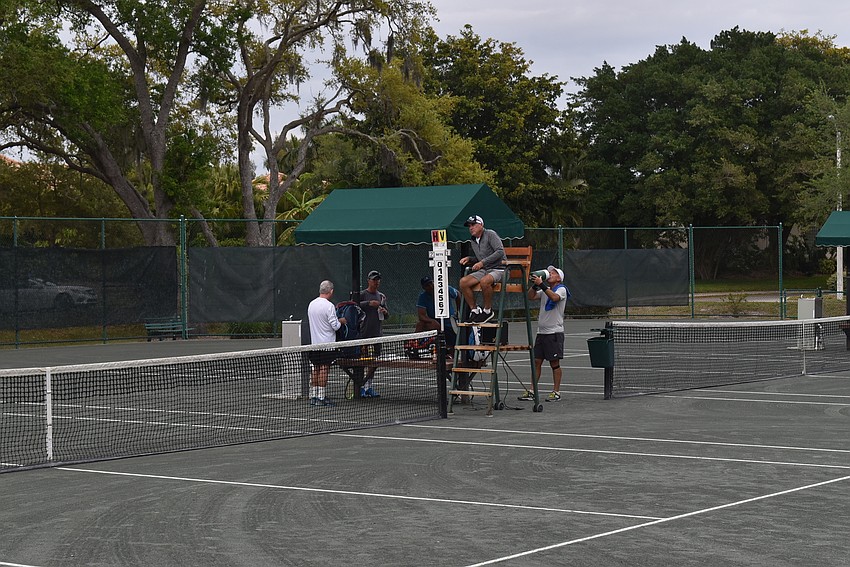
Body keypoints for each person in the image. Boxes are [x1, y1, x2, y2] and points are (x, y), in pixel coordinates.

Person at [519, 266, 569, 402]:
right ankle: (532, 391)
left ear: (559, 278)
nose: (550, 274)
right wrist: (535, 286)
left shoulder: (561, 289)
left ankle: (556, 391)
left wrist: (541, 284)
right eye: (550, 272)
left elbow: (554, 298)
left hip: (554, 332)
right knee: (536, 362)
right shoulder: (545, 290)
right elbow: (530, 296)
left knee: (554, 363)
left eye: (553, 273)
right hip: (541, 332)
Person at [458, 215, 506, 324]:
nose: (471, 228)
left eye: (473, 225)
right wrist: (470, 259)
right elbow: (481, 258)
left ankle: (488, 311)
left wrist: (482, 263)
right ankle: (475, 311)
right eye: (469, 226)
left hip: (499, 269)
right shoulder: (473, 240)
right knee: (463, 282)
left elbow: (500, 252)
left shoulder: (490, 234)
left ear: (481, 225)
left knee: (485, 281)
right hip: (485, 270)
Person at [307, 280, 346, 407]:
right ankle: (321, 397)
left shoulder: (311, 304)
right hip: (327, 345)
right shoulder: (329, 306)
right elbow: (335, 326)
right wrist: (341, 321)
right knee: (324, 368)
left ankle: (314, 396)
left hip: (314, 344)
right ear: (331, 291)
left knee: (316, 368)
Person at [358, 270, 389, 397]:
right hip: (364, 333)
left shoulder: (382, 296)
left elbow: (386, 314)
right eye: (374, 279)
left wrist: (385, 312)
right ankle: (360, 386)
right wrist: (369, 304)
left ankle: (369, 386)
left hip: (377, 333)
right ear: (368, 280)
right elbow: (355, 306)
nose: (376, 282)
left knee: (375, 361)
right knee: (362, 361)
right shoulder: (362, 294)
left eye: (378, 280)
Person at [416, 275, 460, 351]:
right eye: (427, 285)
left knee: (453, 345)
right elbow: (421, 315)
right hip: (435, 322)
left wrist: (459, 311)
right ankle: (416, 345)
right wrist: (431, 321)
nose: (430, 286)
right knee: (420, 324)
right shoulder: (423, 297)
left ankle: (449, 349)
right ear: (424, 288)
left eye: (431, 283)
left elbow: (458, 294)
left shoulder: (445, 289)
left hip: (449, 322)